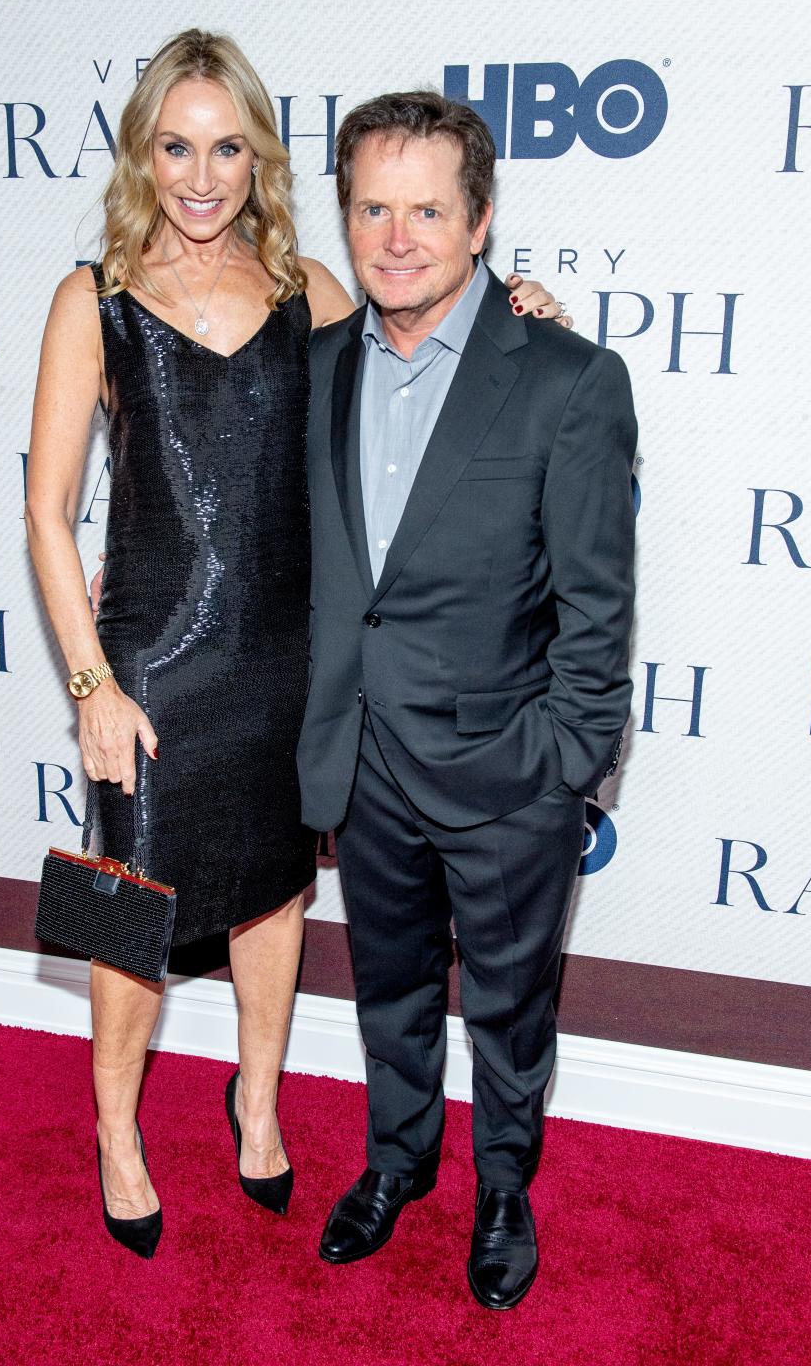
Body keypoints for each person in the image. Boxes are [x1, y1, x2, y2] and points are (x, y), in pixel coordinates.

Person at [26, 29, 566, 1259]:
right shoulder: (93, 300)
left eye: (227, 146)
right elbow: (45, 513)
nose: (202, 175)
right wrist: (92, 684)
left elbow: (429, 356)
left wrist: (521, 313)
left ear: (259, 155)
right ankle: (117, 1130)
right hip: (151, 665)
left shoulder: (307, 289)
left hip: (288, 660)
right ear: (143, 154)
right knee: (134, 906)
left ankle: (256, 1102)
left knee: (275, 894)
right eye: (176, 145)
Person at [298, 92, 637, 1310]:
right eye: (373, 209)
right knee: (387, 988)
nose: (397, 238)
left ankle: (504, 1185)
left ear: (481, 220)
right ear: (345, 218)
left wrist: (564, 770)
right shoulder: (321, 365)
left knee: (508, 1005)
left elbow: (599, 609)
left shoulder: (568, 379)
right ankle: (398, 1164)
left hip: (510, 773)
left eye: (428, 210)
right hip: (367, 760)